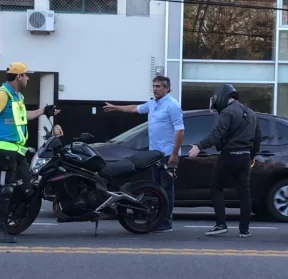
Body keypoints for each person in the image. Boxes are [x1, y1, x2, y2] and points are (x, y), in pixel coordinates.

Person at [0, 62, 60, 243]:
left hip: (17, 151)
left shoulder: (17, 96)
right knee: (6, 189)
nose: (28, 78)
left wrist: (44, 111)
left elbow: (24, 116)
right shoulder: (2, 94)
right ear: (19, 76)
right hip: (4, 149)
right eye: (26, 75)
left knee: (27, 188)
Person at [103, 75, 184, 232]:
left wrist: (174, 154)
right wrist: (116, 107)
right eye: (154, 86)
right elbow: (135, 108)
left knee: (167, 189)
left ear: (167, 89)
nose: (155, 89)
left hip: (168, 154)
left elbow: (180, 131)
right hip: (155, 154)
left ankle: (166, 222)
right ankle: (157, 220)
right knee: (157, 189)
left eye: (158, 86)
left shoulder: (172, 105)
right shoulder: (153, 104)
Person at [188, 84, 261, 238]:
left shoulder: (228, 112)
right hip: (245, 156)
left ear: (222, 97)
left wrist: (199, 147)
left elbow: (216, 135)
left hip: (229, 156)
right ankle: (244, 230)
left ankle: (221, 224)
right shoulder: (252, 113)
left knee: (216, 187)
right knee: (244, 193)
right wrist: (252, 156)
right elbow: (258, 139)